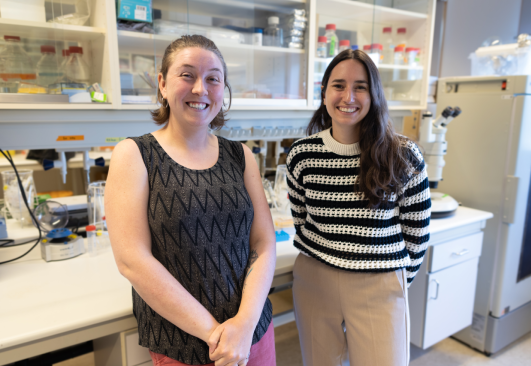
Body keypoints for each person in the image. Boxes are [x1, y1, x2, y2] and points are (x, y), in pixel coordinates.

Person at [105, 35, 277, 366]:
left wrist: (243, 325)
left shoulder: (240, 156)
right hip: (182, 345)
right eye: (187, 75)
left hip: (253, 333)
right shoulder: (135, 154)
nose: (200, 88)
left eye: (213, 79)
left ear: (223, 91)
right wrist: (218, 335)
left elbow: (263, 241)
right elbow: (132, 259)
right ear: (162, 84)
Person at [286, 49, 431, 366]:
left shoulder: (403, 155)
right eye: (338, 85)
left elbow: (417, 233)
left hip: (378, 283)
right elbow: (301, 218)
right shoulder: (301, 155)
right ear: (324, 93)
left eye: (360, 86)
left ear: (374, 94)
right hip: (315, 277)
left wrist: (396, 281)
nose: (347, 96)